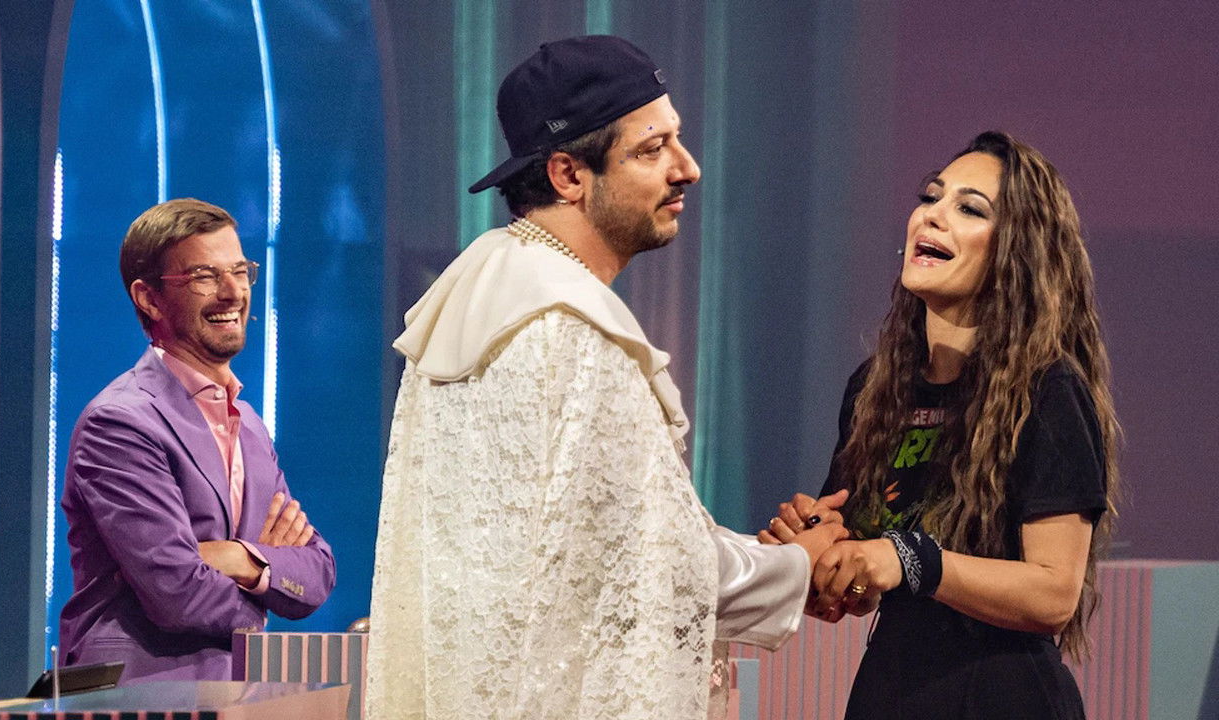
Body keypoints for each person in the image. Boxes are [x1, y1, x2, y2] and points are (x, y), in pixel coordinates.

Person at [366, 35, 846, 720]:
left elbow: (605, 545)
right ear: (568, 174)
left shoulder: (490, 288)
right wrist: (802, 565)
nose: (688, 168)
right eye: (652, 150)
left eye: (677, 140)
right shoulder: (572, 332)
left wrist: (767, 556)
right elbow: (653, 573)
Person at [762, 131, 1119, 719]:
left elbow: (1055, 593)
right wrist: (817, 553)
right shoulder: (873, 389)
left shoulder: (1047, 391)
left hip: (1002, 699)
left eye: (969, 209)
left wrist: (911, 559)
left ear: (1016, 253)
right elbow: (863, 576)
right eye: (931, 197)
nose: (932, 215)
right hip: (890, 693)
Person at [59, 198, 336, 682]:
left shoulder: (249, 424)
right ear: (149, 298)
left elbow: (317, 571)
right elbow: (178, 595)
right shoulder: (120, 421)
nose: (233, 293)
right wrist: (266, 587)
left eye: (240, 272)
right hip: (133, 694)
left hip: (229, 693)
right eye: (205, 276)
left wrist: (240, 558)